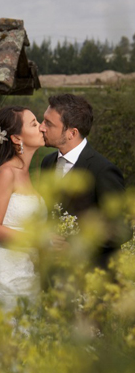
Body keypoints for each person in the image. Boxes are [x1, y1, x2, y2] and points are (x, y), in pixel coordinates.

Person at [40, 93, 133, 267]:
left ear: (72, 133)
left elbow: (123, 229)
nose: (41, 127)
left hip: (92, 276)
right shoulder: (47, 163)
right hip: (53, 277)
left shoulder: (103, 170)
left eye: (48, 123)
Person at [0, 106, 47, 312]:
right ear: (16, 139)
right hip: (2, 277)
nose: (42, 127)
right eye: (34, 123)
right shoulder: (6, 173)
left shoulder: (26, 173)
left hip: (27, 275)